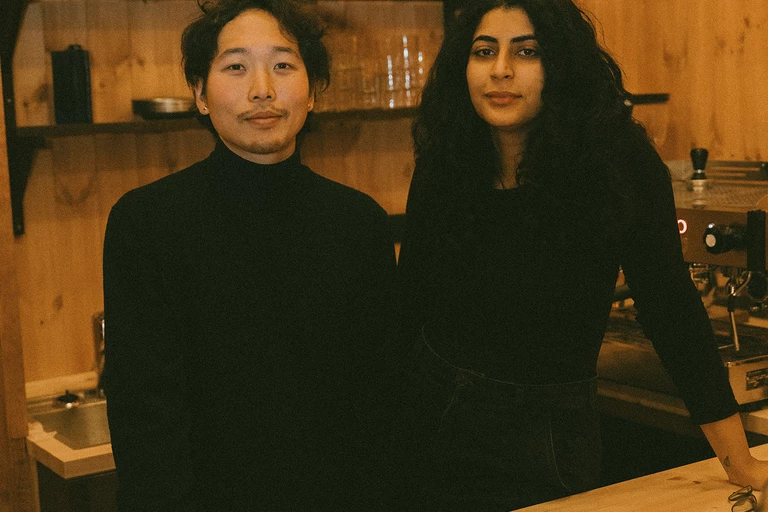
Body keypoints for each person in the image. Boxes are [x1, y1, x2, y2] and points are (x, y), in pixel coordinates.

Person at [391, 0, 768, 510]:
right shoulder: (447, 158)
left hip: (549, 430)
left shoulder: (616, 162)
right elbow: (408, 307)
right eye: (484, 51)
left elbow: (671, 310)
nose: (501, 70)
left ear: (561, 64)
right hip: (433, 416)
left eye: (527, 52)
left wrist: (739, 461)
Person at [102, 0, 397, 510]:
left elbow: (381, 401)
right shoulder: (147, 223)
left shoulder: (358, 222)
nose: (262, 88)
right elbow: (144, 416)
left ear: (313, 92)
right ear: (200, 93)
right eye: (236, 67)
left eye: (283, 65)